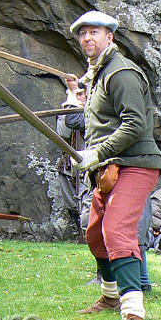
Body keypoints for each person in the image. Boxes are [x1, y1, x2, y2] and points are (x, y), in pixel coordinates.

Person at [70, 10, 161, 320]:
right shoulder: (97, 73)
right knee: (96, 233)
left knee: (117, 231)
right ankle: (111, 296)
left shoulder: (121, 73)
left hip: (135, 164)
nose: (87, 39)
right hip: (110, 168)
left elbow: (136, 124)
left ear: (110, 37)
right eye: (83, 34)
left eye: (94, 32)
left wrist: (97, 153)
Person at [56, 80, 91, 240]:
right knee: (72, 204)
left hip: (88, 164)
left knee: (86, 202)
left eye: (81, 94)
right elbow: (62, 133)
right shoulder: (69, 111)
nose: (81, 97)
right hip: (70, 164)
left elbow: (77, 122)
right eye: (77, 95)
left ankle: (87, 236)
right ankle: (80, 232)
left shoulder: (93, 112)